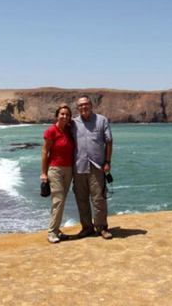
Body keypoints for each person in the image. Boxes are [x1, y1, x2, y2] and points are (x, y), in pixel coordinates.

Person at [72, 95, 114, 240]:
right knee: (81, 198)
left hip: (97, 166)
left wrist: (108, 162)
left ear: (91, 105)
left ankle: (102, 227)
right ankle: (87, 227)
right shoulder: (73, 123)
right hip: (78, 167)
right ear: (78, 108)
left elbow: (109, 142)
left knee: (99, 199)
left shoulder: (102, 121)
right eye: (81, 105)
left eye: (86, 104)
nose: (84, 107)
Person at [40, 104, 75, 244]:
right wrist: (44, 173)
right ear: (57, 116)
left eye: (67, 115)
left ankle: (56, 229)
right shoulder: (50, 131)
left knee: (60, 201)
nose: (64, 117)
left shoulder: (69, 130)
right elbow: (44, 152)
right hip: (55, 169)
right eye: (62, 114)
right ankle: (52, 232)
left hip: (69, 169)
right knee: (58, 200)